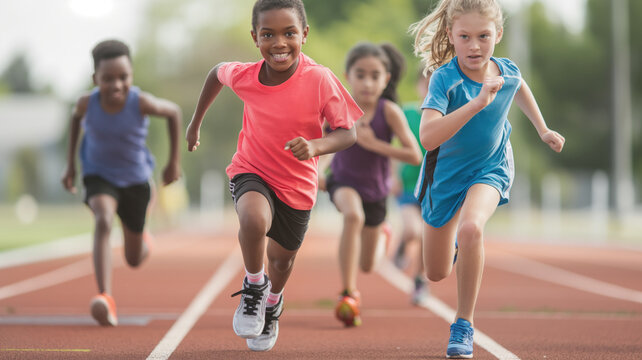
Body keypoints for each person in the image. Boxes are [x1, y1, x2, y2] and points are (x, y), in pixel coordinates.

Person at [185, 0, 361, 352]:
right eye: (269, 34)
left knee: (282, 260)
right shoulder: (245, 76)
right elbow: (216, 72)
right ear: (255, 38)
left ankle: (272, 302)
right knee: (252, 220)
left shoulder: (320, 79)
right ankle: (253, 287)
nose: (279, 42)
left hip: (297, 185)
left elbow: (348, 133)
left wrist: (315, 147)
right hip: (253, 168)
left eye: (289, 33)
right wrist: (195, 122)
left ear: (304, 35)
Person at [410, 0, 565, 357]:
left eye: (484, 36)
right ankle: (450, 250)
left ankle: (463, 324)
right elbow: (428, 137)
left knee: (471, 229)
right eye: (465, 36)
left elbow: (519, 85)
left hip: (490, 168)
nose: (475, 46)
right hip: (445, 177)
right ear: (451, 35)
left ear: (498, 34)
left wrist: (542, 129)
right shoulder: (444, 79)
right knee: (434, 273)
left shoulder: (505, 71)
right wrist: (477, 102)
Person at [61, 39, 182, 327]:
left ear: (131, 75)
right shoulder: (85, 103)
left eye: (123, 77)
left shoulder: (141, 101)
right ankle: (105, 297)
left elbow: (174, 112)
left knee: (134, 258)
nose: (116, 85)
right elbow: (75, 120)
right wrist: (70, 166)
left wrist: (173, 162)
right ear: (95, 79)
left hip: (136, 181)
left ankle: (143, 240)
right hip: (99, 175)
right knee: (102, 220)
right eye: (108, 79)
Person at [319, 42, 423, 327]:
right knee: (353, 216)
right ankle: (348, 293)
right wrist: (319, 170)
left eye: (375, 76)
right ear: (347, 76)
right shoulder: (338, 108)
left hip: (376, 190)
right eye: (360, 75)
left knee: (368, 264)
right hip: (343, 181)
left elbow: (414, 155)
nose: (367, 82)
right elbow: (327, 146)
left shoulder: (389, 112)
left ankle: (382, 235)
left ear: (386, 79)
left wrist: (375, 144)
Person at [391, 69, 431, 305]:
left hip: (435, 188)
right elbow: (393, 145)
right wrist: (391, 174)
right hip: (407, 184)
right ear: (418, 86)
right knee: (413, 231)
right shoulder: (406, 113)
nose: (428, 90)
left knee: (428, 235)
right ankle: (403, 244)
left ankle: (420, 281)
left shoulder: (449, 116)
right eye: (425, 84)